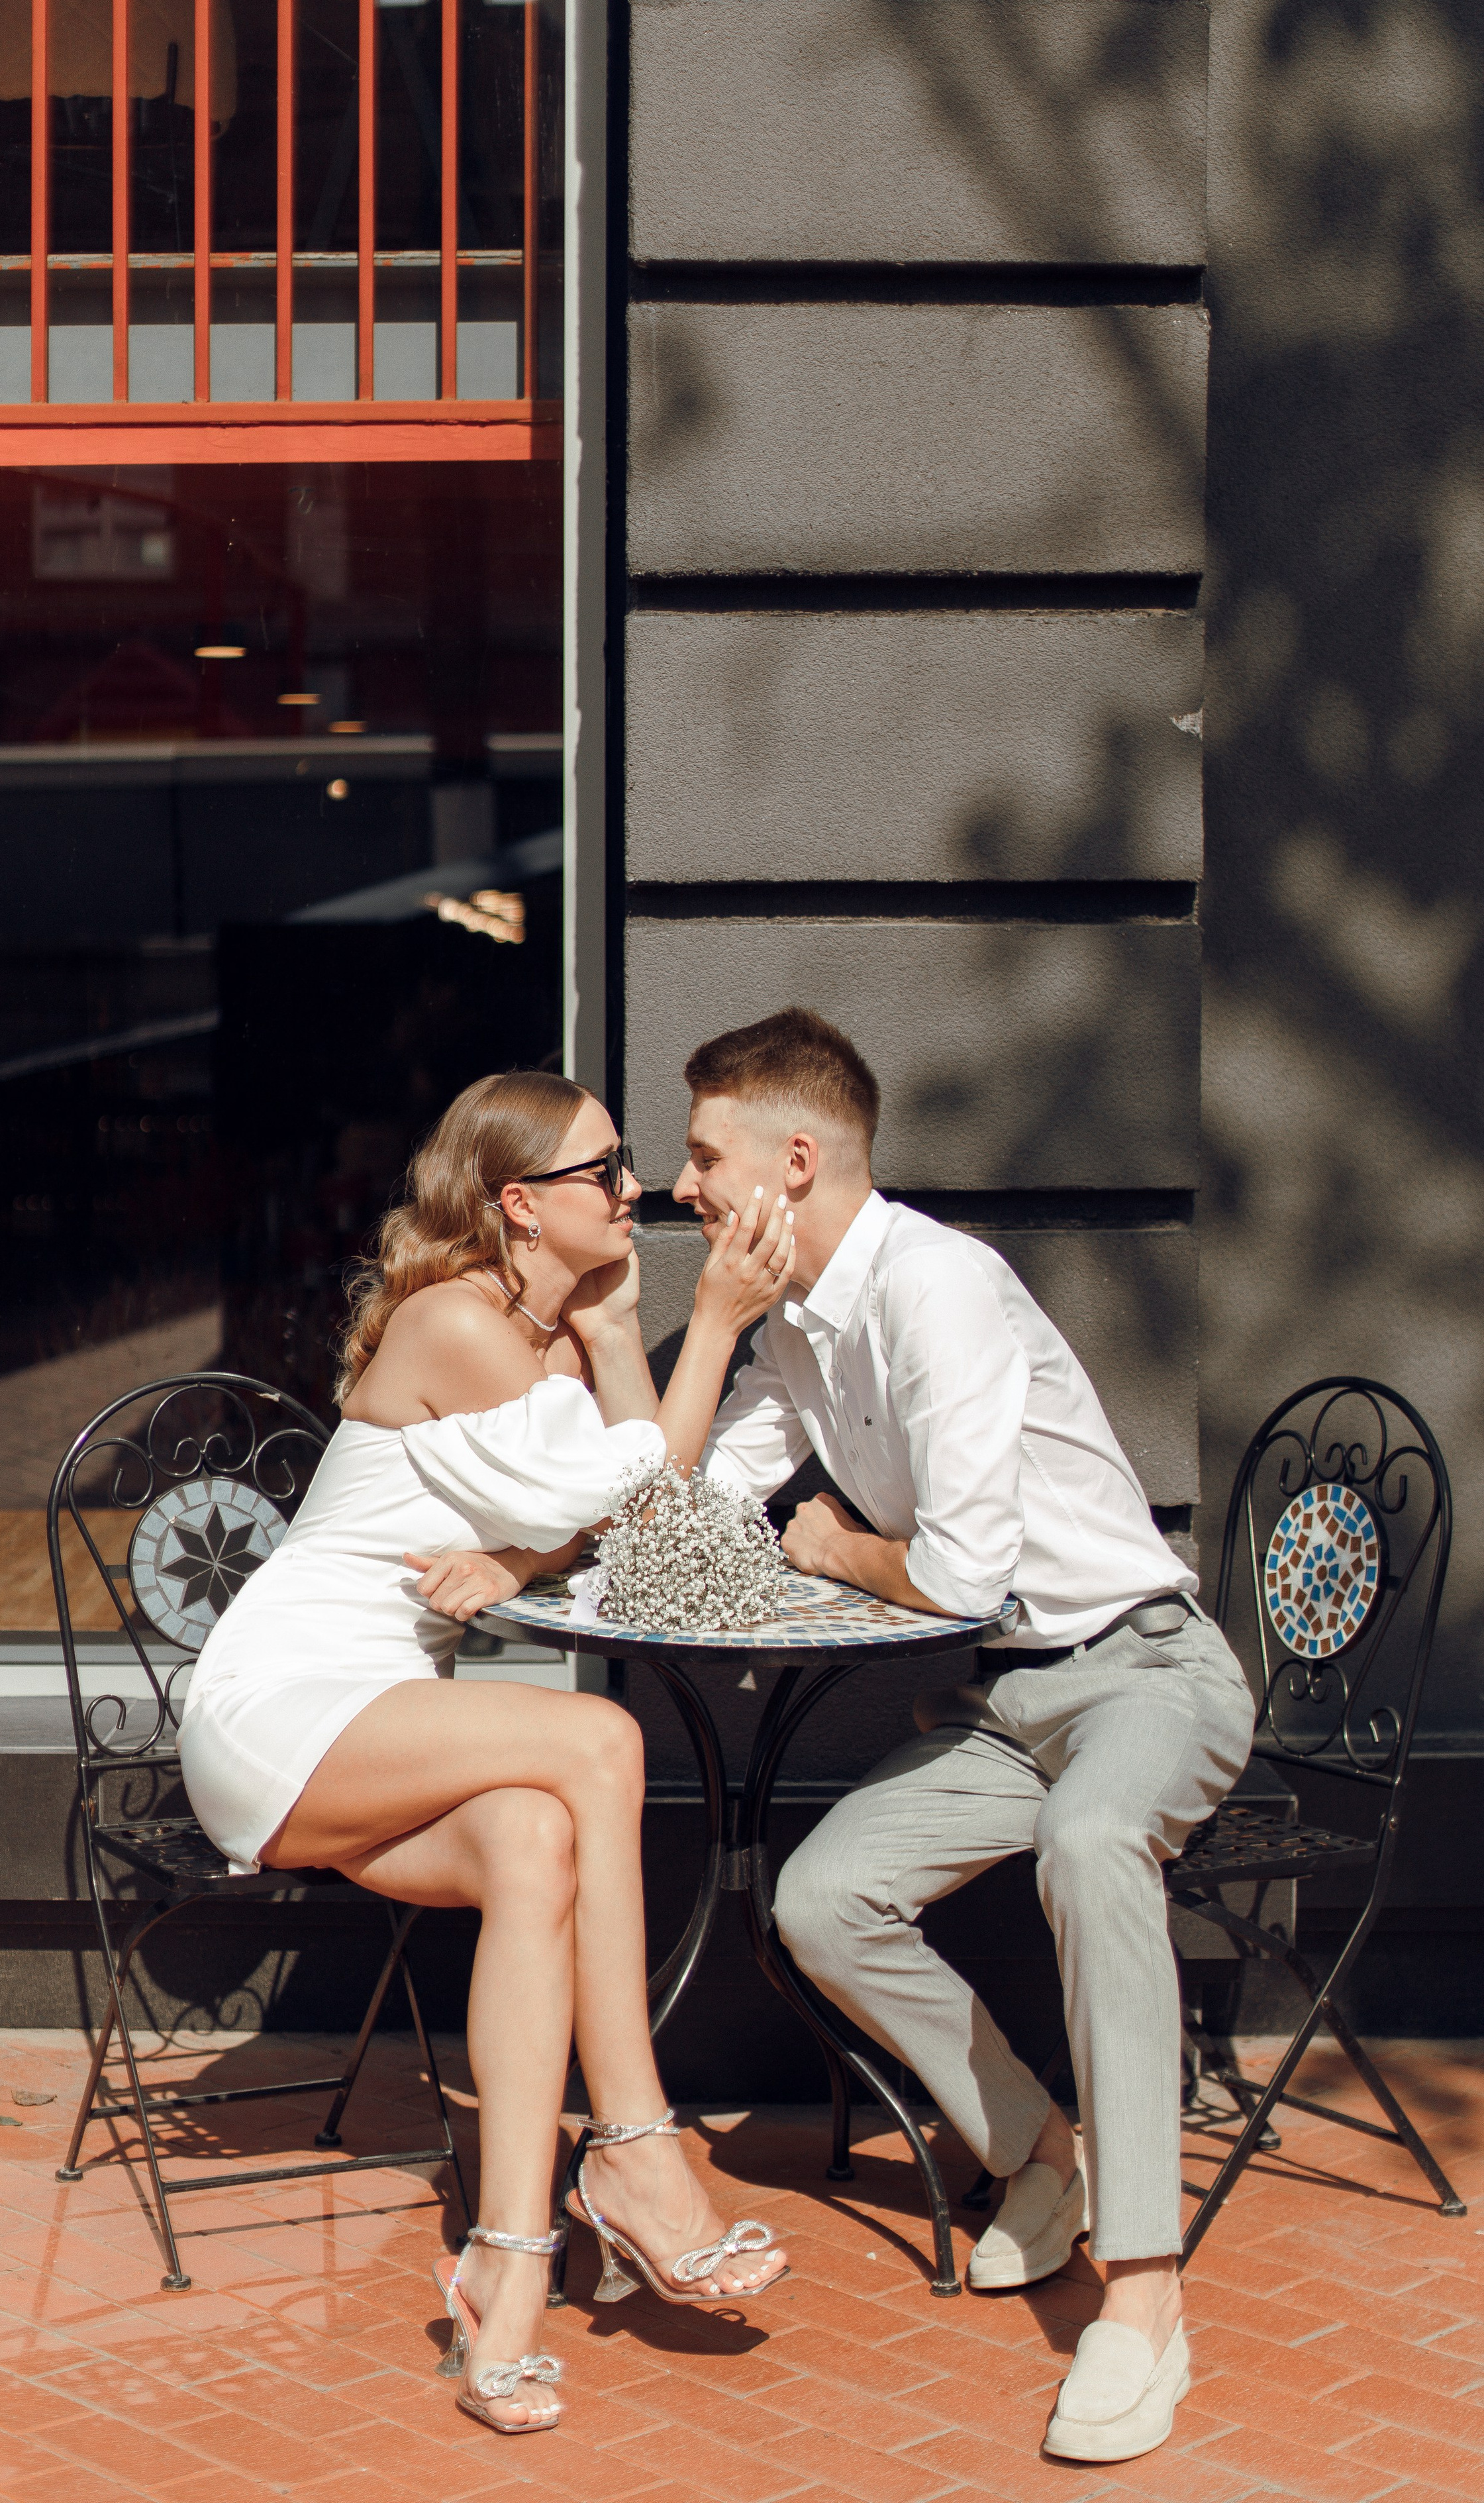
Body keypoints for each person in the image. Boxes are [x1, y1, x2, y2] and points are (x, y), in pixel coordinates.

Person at [657, 1007, 1255, 2466]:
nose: (679, 1187)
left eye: (699, 1154)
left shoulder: (938, 1290)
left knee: (1091, 1837)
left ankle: (1143, 2298)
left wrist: (833, 1545)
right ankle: (1034, 2154)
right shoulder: (794, 1322)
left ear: (791, 1161)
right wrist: (720, 1329)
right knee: (818, 1898)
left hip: (1143, 1673)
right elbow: (669, 1522)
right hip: (1003, 1708)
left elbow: (963, 1574)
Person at [177, 1071, 793, 2437]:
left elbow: (658, 1534)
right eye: (601, 1170)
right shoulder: (453, 1321)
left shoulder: (555, 1349)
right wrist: (719, 1332)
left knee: (534, 1834)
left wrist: (626, 1336)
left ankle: (504, 2275)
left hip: (378, 1717)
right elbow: (622, 1492)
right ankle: (637, 2152)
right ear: (518, 1205)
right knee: (595, 1735)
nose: (629, 1187)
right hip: (285, 1701)